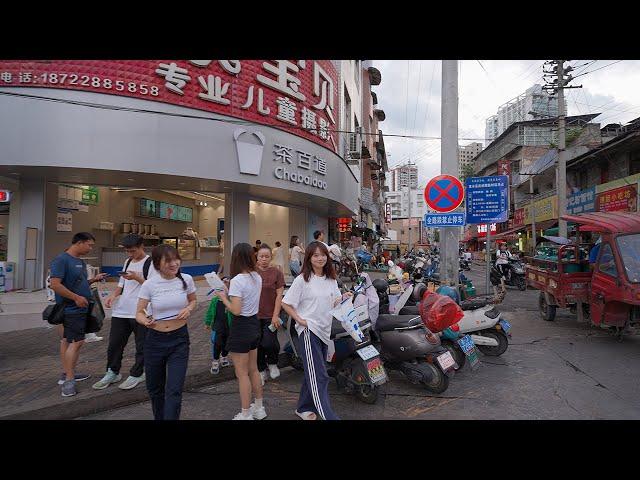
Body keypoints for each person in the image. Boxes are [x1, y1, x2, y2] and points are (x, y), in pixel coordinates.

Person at [282, 241, 353, 421]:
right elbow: (286, 303)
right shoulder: (302, 279)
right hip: (309, 331)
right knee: (320, 376)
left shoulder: (330, 279)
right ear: (309, 258)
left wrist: (344, 297)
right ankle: (328, 415)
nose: (320, 258)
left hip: (324, 331)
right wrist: (299, 320)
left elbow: (335, 300)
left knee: (312, 372)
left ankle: (303, 407)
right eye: (315, 255)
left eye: (323, 255)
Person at [135, 245, 197, 420]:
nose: (174, 263)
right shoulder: (149, 284)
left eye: (176, 259)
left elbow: (193, 300)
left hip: (179, 340)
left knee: (174, 390)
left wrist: (189, 309)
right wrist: (146, 320)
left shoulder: (187, 279)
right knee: (155, 389)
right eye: (168, 260)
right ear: (157, 263)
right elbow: (139, 312)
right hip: (154, 341)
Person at [93, 234, 157, 391]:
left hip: (141, 311)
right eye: (127, 251)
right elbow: (121, 284)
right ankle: (112, 372)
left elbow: (153, 287)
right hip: (121, 311)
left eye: (133, 251)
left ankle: (138, 373)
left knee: (141, 345)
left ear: (142, 246)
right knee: (115, 344)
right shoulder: (127, 261)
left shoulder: (151, 263)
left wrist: (137, 278)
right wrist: (113, 296)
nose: (130, 254)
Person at [49, 232, 109, 397]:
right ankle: (69, 380)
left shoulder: (80, 263)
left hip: (81, 308)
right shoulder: (61, 260)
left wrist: (94, 280)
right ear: (80, 243)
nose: (91, 248)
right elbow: (55, 284)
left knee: (68, 341)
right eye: (89, 245)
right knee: (77, 341)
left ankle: (68, 373)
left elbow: (79, 283)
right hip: (71, 309)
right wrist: (75, 297)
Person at [213, 243, 266, 420]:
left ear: (235, 258)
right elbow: (244, 301)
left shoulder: (237, 280)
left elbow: (235, 309)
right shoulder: (256, 277)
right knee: (254, 370)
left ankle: (245, 414)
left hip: (240, 327)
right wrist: (228, 291)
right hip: (253, 325)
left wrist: (222, 296)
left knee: (242, 373)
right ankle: (259, 408)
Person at [255, 243, 285, 384]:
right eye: (261, 256)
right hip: (253, 316)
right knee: (258, 345)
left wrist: (276, 314)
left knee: (270, 342)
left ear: (271, 257)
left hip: (270, 315)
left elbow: (279, 295)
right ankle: (261, 371)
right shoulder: (251, 272)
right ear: (257, 257)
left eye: (267, 256)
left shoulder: (276, 272)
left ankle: (272, 363)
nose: (264, 259)